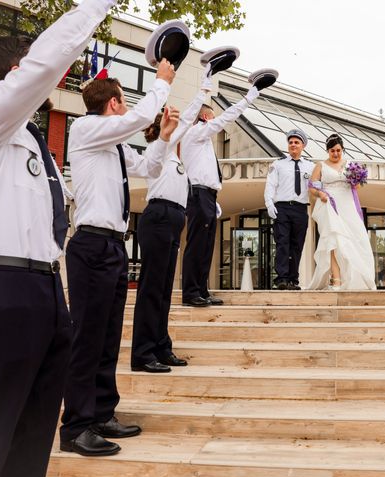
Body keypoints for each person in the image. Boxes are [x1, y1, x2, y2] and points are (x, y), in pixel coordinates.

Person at [0, 0, 117, 477]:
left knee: (33, 431)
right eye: (33, 64)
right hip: (0, 286)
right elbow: (47, 59)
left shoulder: (36, 142)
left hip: (46, 289)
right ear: (18, 73)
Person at [60, 64, 177, 456]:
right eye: (124, 98)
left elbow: (149, 168)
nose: (127, 104)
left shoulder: (114, 143)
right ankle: (76, 427)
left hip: (112, 247)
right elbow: (140, 115)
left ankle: (102, 413)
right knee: (88, 337)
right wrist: (162, 81)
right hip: (91, 245)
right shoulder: (85, 129)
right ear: (113, 102)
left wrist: (161, 138)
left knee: (108, 336)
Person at [131, 65, 213, 373]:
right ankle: (142, 353)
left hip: (175, 218)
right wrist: (204, 87)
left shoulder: (176, 157)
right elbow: (190, 115)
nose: (178, 123)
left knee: (164, 288)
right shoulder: (159, 148)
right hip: (159, 216)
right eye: (171, 120)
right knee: (152, 288)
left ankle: (161, 346)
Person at [180, 83, 260, 306]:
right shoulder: (195, 133)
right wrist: (248, 99)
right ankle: (190, 293)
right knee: (196, 245)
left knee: (206, 247)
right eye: (213, 118)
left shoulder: (203, 142)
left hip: (208, 196)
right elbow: (227, 118)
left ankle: (202, 290)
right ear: (205, 118)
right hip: (198, 195)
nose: (217, 125)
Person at [308, 134, 376, 290]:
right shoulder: (320, 166)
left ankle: (359, 278)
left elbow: (356, 188)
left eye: (338, 150)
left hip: (348, 205)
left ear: (342, 149)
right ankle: (336, 278)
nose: (336, 154)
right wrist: (320, 194)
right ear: (328, 151)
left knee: (358, 239)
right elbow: (312, 187)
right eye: (332, 151)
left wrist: (357, 179)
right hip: (330, 204)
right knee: (334, 240)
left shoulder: (350, 164)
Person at [264, 129, 315, 289]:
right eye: (290, 142)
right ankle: (282, 279)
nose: (293, 145)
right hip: (283, 208)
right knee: (282, 243)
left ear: (303, 146)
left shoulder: (311, 166)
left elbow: (318, 186)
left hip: (301, 210)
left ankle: (293, 279)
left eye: (296, 142)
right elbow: (270, 185)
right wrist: (269, 203)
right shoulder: (278, 164)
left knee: (296, 245)